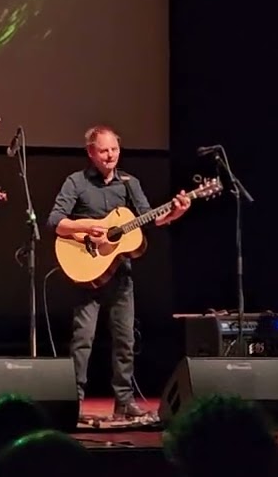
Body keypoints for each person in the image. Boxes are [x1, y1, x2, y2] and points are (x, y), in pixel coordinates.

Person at [47, 125, 189, 421]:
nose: (110, 155)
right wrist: (87, 226)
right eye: (103, 150)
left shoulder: (128, 183)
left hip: (121, 275)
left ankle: (124, 401)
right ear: (91, 153)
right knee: (82, 340)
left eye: (114, 149)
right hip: (88, 275)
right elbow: (56, 221)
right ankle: (75, 402)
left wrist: (175, 212)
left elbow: (150, 217)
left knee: (125, 340)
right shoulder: (76, 182)